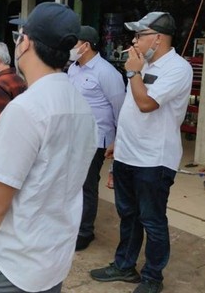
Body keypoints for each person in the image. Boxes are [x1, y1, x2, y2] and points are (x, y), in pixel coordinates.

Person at [0, 2, 97, 293]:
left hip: (13, 263)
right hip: (53, 259)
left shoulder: (26, 108)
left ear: (27, 43)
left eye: (20, 35)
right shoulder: (81, 105)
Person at [90, 12, 193, 293]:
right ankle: (125, 266)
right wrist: (118, 142)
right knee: (128, 215)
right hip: (128, 154)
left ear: (157, 38)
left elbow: (147, 104)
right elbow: (131, 109)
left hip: (154, 159)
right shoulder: (142, 62)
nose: (134, 41)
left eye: (140, 35)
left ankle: (152, 278)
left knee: (152, 220)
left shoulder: (178, 68)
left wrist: (133, 72)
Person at [67, 26, 126, 251]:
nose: (71, 48)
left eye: (74, 43)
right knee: (71, 183)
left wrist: (117, 140)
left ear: (86, 45)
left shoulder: (107, 72)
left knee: (86, 184)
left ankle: (85, 231)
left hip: (96, 139)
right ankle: (73, 224)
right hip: (73, 136)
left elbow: (120, 109)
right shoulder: (73, 69)